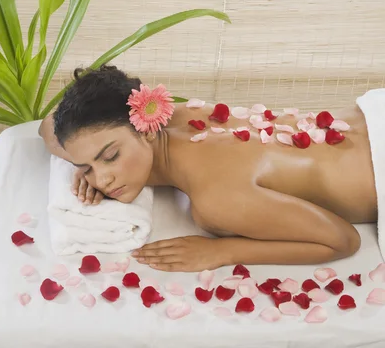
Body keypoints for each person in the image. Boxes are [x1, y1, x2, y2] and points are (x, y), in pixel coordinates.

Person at [38, 65, 377, 272]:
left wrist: (221, 252)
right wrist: (84, 164)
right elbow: (50, 126)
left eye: (110, 157)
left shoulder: (215, 200)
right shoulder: (177, 113)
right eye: (85, 166)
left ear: (146, 128)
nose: (102, 179)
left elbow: (342, 241)